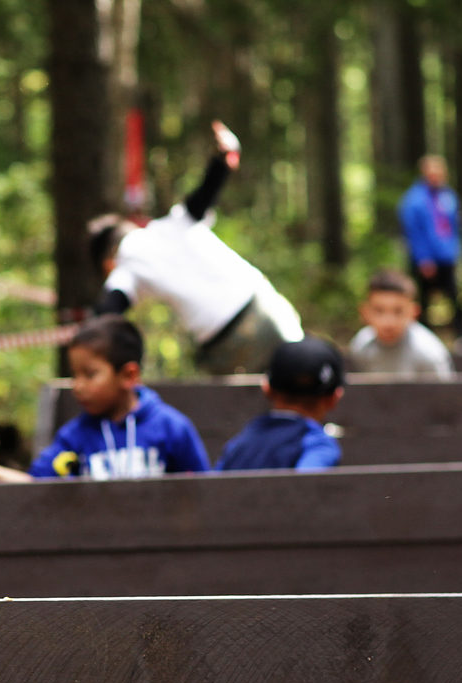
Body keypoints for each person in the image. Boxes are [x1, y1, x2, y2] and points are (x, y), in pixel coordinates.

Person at [88, 120, 303, 376]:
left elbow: (110, 310)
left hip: (224, 344)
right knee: (301, 375)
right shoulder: (172, 224)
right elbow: (205, 193)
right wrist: (224, 157)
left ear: (107, 261)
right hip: (265, 309)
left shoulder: (125, 269)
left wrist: (88, 322)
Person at [29, 315, 209, 479]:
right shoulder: (74, 436)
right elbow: (34, 484)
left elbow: (204, 491)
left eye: (90, 374)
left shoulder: (172, 428)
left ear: (128, 375)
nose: (78, 386)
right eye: (75, 375)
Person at [215, 336, 346, 471]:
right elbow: (306, 485)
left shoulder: (238, 445)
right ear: (334, 398)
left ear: (267, 390)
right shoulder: (319, 446)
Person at [398, 154, 462, 346]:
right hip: (425, 260)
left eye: (439, 171)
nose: (436, 175)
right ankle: (423, 340)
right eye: (432, 171)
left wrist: (456, 252)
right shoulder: (414, 199)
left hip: (447, 257)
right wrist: (423, 258)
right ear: (424, 173)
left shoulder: (448, 196)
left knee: (455, 298)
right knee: (422, 301)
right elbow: (413, 232)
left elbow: (455, 227)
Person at [347, 269, 454, 379]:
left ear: (414, 312)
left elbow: (444, 394)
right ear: (365, 312)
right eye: (379, 310)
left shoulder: (429, 354)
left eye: (398, 311)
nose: (388, 322)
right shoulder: (360, 345)